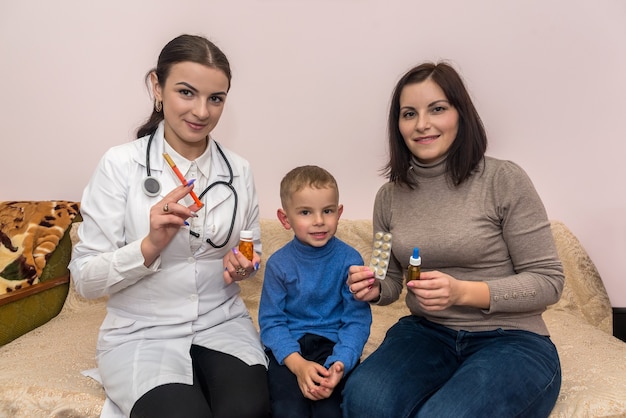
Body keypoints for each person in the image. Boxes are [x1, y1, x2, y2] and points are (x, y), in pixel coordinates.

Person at [342, 62, 564, 418]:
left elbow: (549, 281)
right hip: (427, 334)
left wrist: (463, 292)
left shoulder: (503, 180)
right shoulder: (388, 196)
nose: (422, 124)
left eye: (437, 109)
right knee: (363, 402)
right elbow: (391, 278)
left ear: (461, 114)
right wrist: (373, 287)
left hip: (512, 339)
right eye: (409, 113)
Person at [69, 34, 270, 418]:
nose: (201, 111)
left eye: (216, 98)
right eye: (186, 92)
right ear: (157, 87)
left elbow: (251, 250)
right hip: (142, 332)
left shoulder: (238, 171)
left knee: (249, 410)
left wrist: (245, 265)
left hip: (220, 323)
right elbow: (85, 279)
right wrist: (149, 246)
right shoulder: (120, 165)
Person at [258, 165, 372, 418]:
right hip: (290, 350)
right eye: (306, 212)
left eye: (327, 211)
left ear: (339, 213)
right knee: (288, 410)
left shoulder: (350, 260)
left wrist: (340, 363)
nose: (319, 220)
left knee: (332, 411)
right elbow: (271, 322)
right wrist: (298, 365)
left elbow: (356, 319)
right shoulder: (279, 264)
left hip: (333, 346)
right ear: (285, 219)